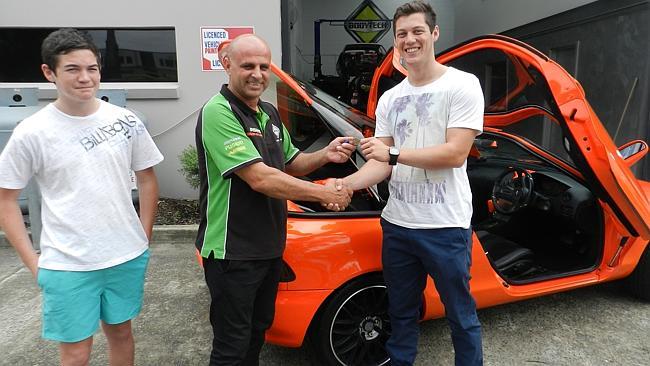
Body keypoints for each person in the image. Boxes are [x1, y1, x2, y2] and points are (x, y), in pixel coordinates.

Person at [0, 28, 163, 366]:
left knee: (122, 335)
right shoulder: (32, 132)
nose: (85, 77)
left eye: (92, 68)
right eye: (72, 69)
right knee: (75, 353)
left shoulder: (125, 121)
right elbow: (5, 199)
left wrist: (143, 236)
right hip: (67, 263)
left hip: (125, 257)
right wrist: (34, 262)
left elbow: (147, 178)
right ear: (50, 73)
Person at [336, 1, 484, 365]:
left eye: (417, 31)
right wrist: (343, 186)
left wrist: (394, 155)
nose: (409, 39)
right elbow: (380, 164)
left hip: (445, 227)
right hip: (398, 225)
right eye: (401, 34)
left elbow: (455, 153)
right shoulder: (390, 98)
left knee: (460, 317)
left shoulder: (462, 85)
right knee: (401, 312)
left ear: (434, 33)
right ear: (395, 40)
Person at [195, 34, 355, 365]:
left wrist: (326, 154)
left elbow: (292, 163)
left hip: (268, 247)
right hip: (232, 252)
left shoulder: (268, 111)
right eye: (247, 66)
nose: (257, 74)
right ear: (227, 65)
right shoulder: (218, 112)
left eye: (264, 67)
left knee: (257, 332)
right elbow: (259, 177)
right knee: (231, 344)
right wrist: (323, 193)